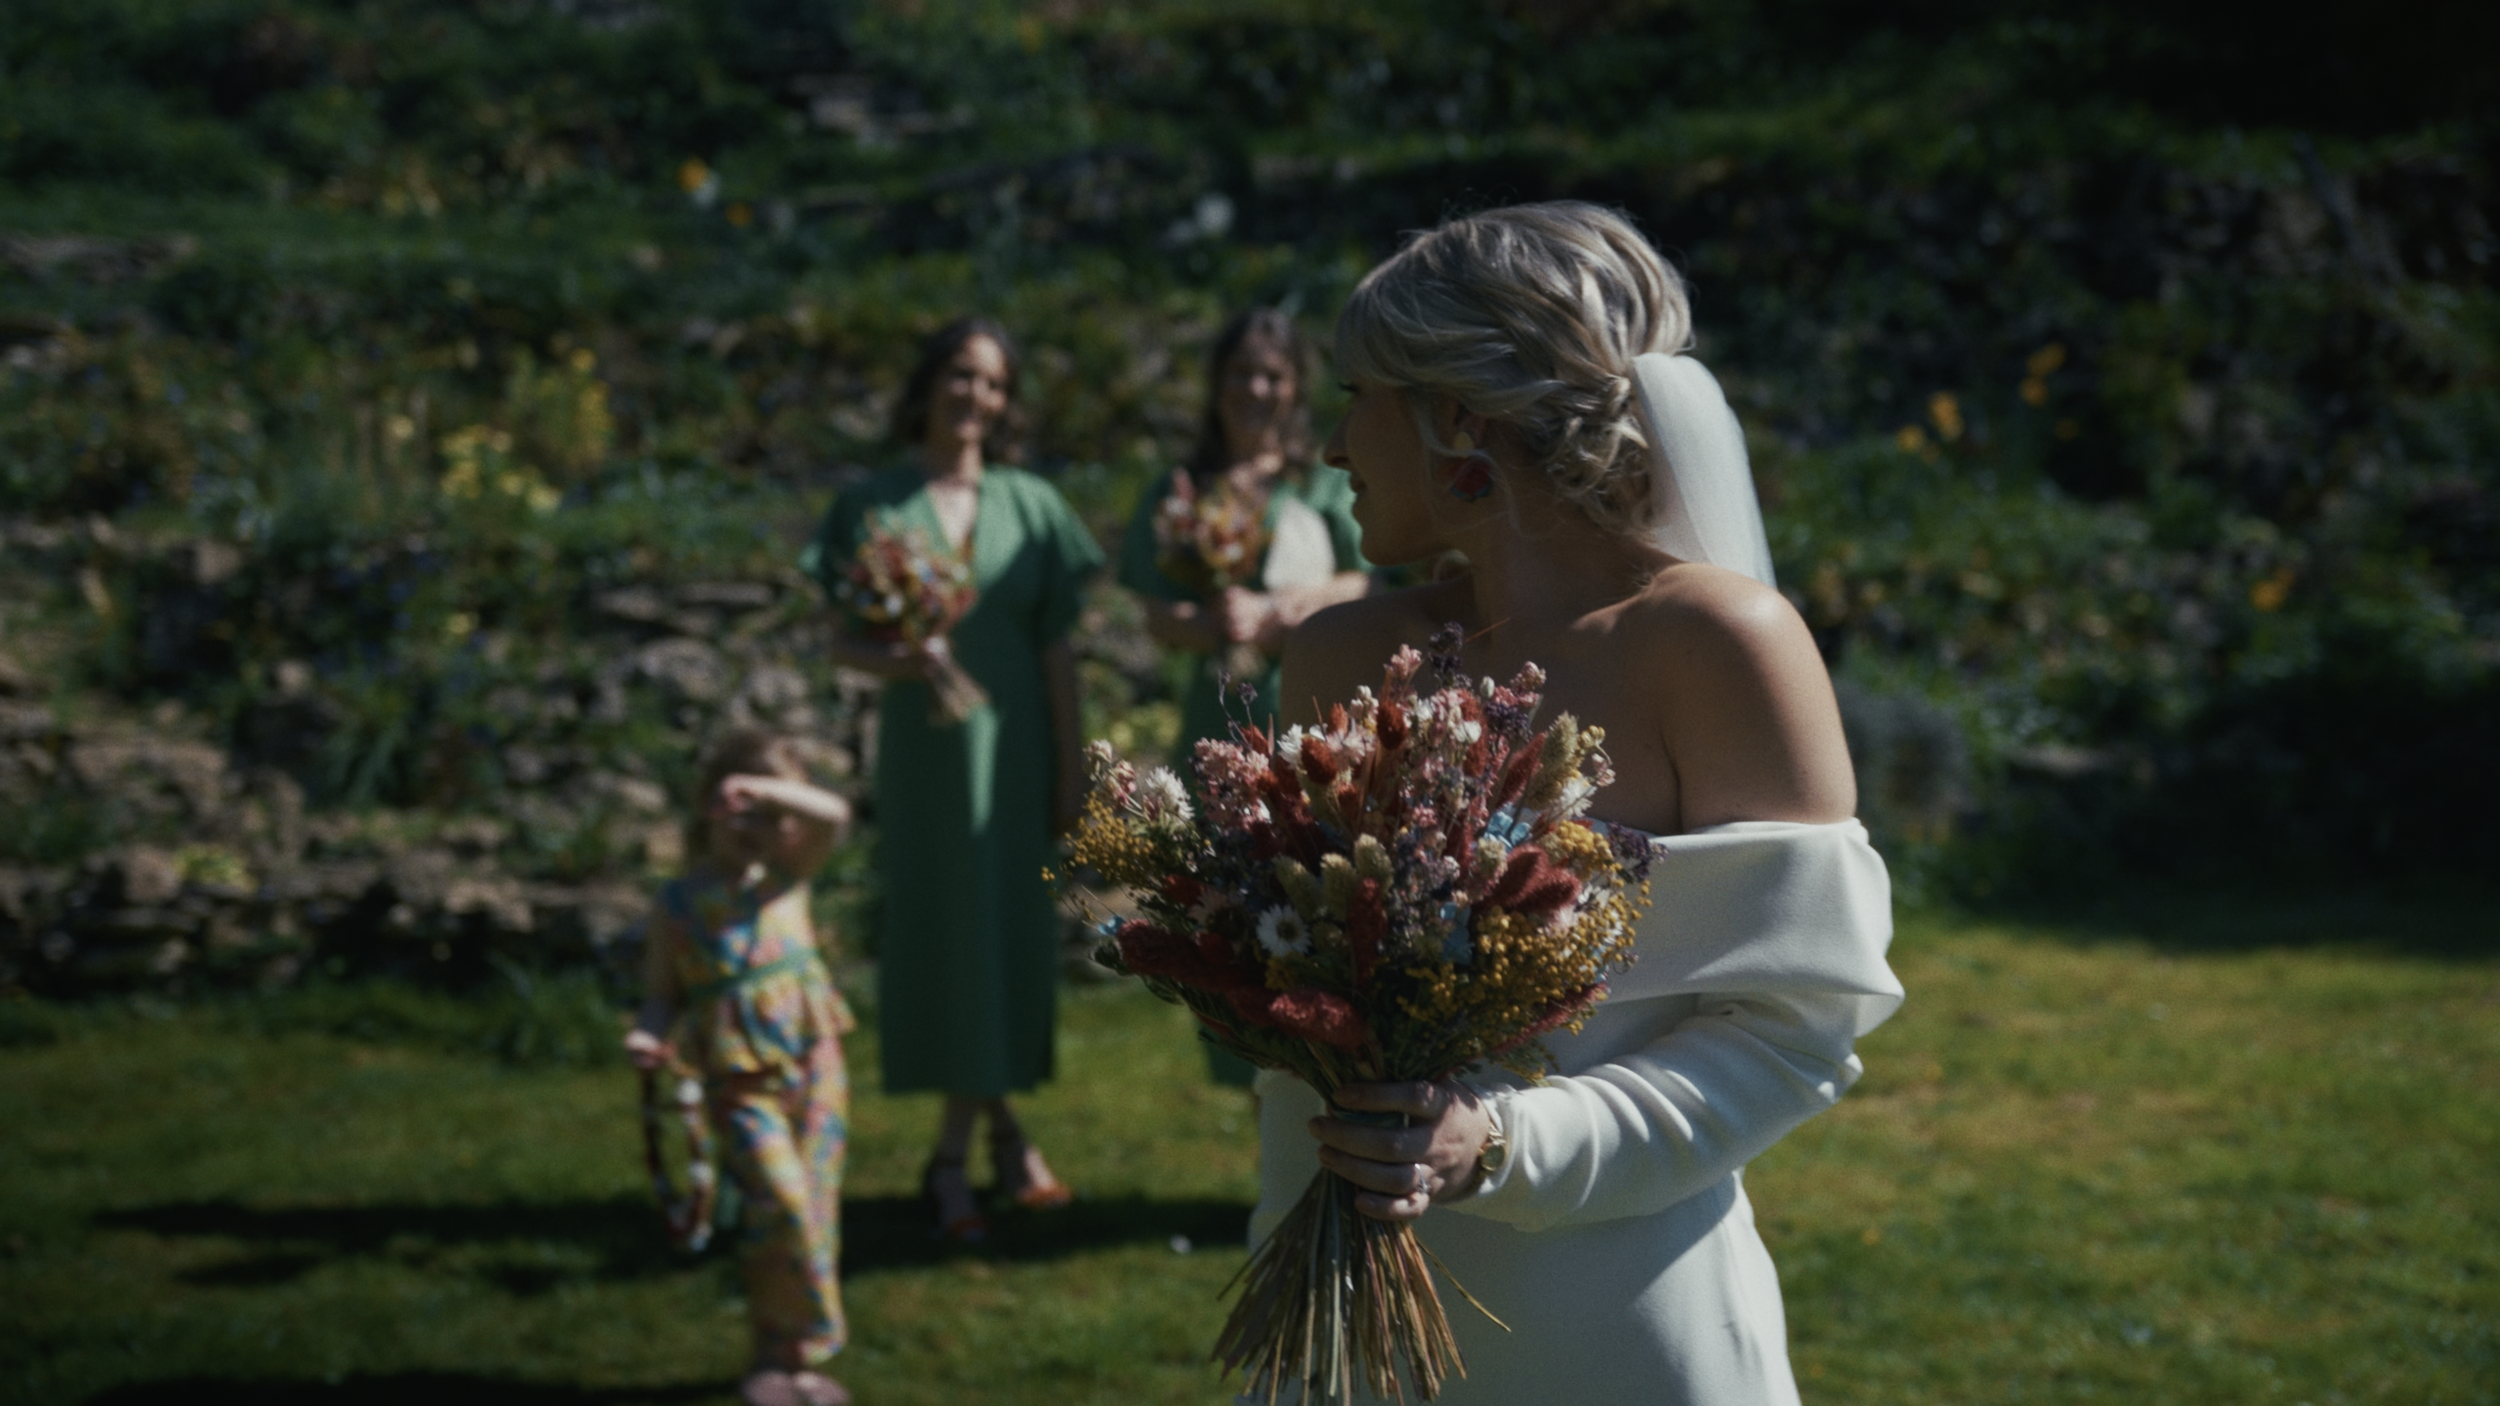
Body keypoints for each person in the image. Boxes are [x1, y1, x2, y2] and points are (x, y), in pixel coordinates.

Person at [1263, 202, 1905, 1402]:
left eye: (1356, 395)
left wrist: (1499, 1142)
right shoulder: (1337, 654)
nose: (1336, 446)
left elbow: (1788, 1028)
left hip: (1618, 1310)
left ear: (1457, 417)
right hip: (1352, 1309)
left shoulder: (1716, 644)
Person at [812, 317, 1105, 1243]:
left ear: (1005, 401)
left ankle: (977, 1146)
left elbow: (1058, 651)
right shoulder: (874, 504)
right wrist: (912, 663)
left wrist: (1074, 766)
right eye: (957, 375)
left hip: (1016, 750)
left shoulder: (1033, 505)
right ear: (927, 384)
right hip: (930, 757)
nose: (971, 395)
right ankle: (981, 1146)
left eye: (990, 382)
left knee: (1004, 941)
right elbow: (840, 642)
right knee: (949, 935)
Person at [1116, 307, 1370, 1086]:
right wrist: (1211, 620)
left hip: (1308, 700)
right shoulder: (1184, 490)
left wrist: (1283, 609)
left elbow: (1363, 578)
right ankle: (1252, 1076)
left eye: (1273, 375)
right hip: (1219, 707)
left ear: (1294, 387)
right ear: (1217, 385)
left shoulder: (1322, 482)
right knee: (1230, 896)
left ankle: (1321, 1060)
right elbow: (1159, 614)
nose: (1255, 389)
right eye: (1240, 374)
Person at [624, 728, 856, 1406]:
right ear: (708, 810)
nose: (757, 829)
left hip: (815, 1066)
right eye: (740, 813)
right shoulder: (678, 904)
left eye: (772, 817)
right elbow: (661, 997)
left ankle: (797, 1363)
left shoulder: (790, 878)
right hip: (736, 1079)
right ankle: (774, 1342)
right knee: (776, 1205)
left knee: (812, 1211)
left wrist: (762, 791)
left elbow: (834, 815)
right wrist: (648, 1037)